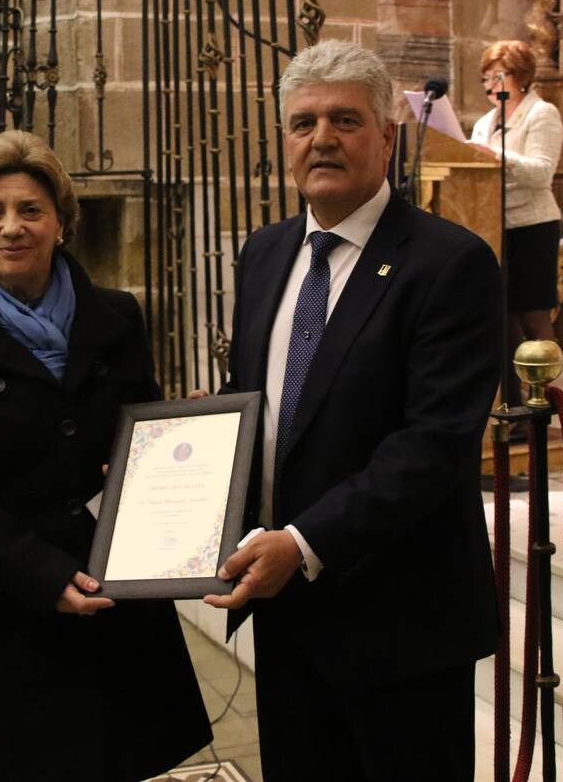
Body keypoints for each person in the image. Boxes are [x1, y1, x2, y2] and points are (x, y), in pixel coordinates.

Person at [206, 40, 503, 782]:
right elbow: (264, 408)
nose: (322, 140)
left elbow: (433, 445)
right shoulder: (265, 254)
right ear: (285, 141)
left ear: (387, 136)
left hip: (399, 620)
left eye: (345, 120)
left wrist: (303, 543)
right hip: (288, 621)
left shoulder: (449, 263)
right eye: (304, 123)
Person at [0, 130, 211, 781]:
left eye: (31, 210)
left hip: (108, 591)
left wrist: (185, 446)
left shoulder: (118, 318)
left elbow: (135, 446)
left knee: (104, 757)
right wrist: (37, 573)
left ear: (61, 222)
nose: (12, 227)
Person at [468, 39, 563, 403]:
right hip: (494, 225)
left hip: (533, 227)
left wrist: (494, 155)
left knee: (533, 316)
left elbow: (541, 173)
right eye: (485, 79)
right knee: (503, 315)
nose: (490, 87)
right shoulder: (484, 122)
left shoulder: (542, 113)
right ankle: (512, 401)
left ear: (521, 77)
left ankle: (548, 399)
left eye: (498, 77)